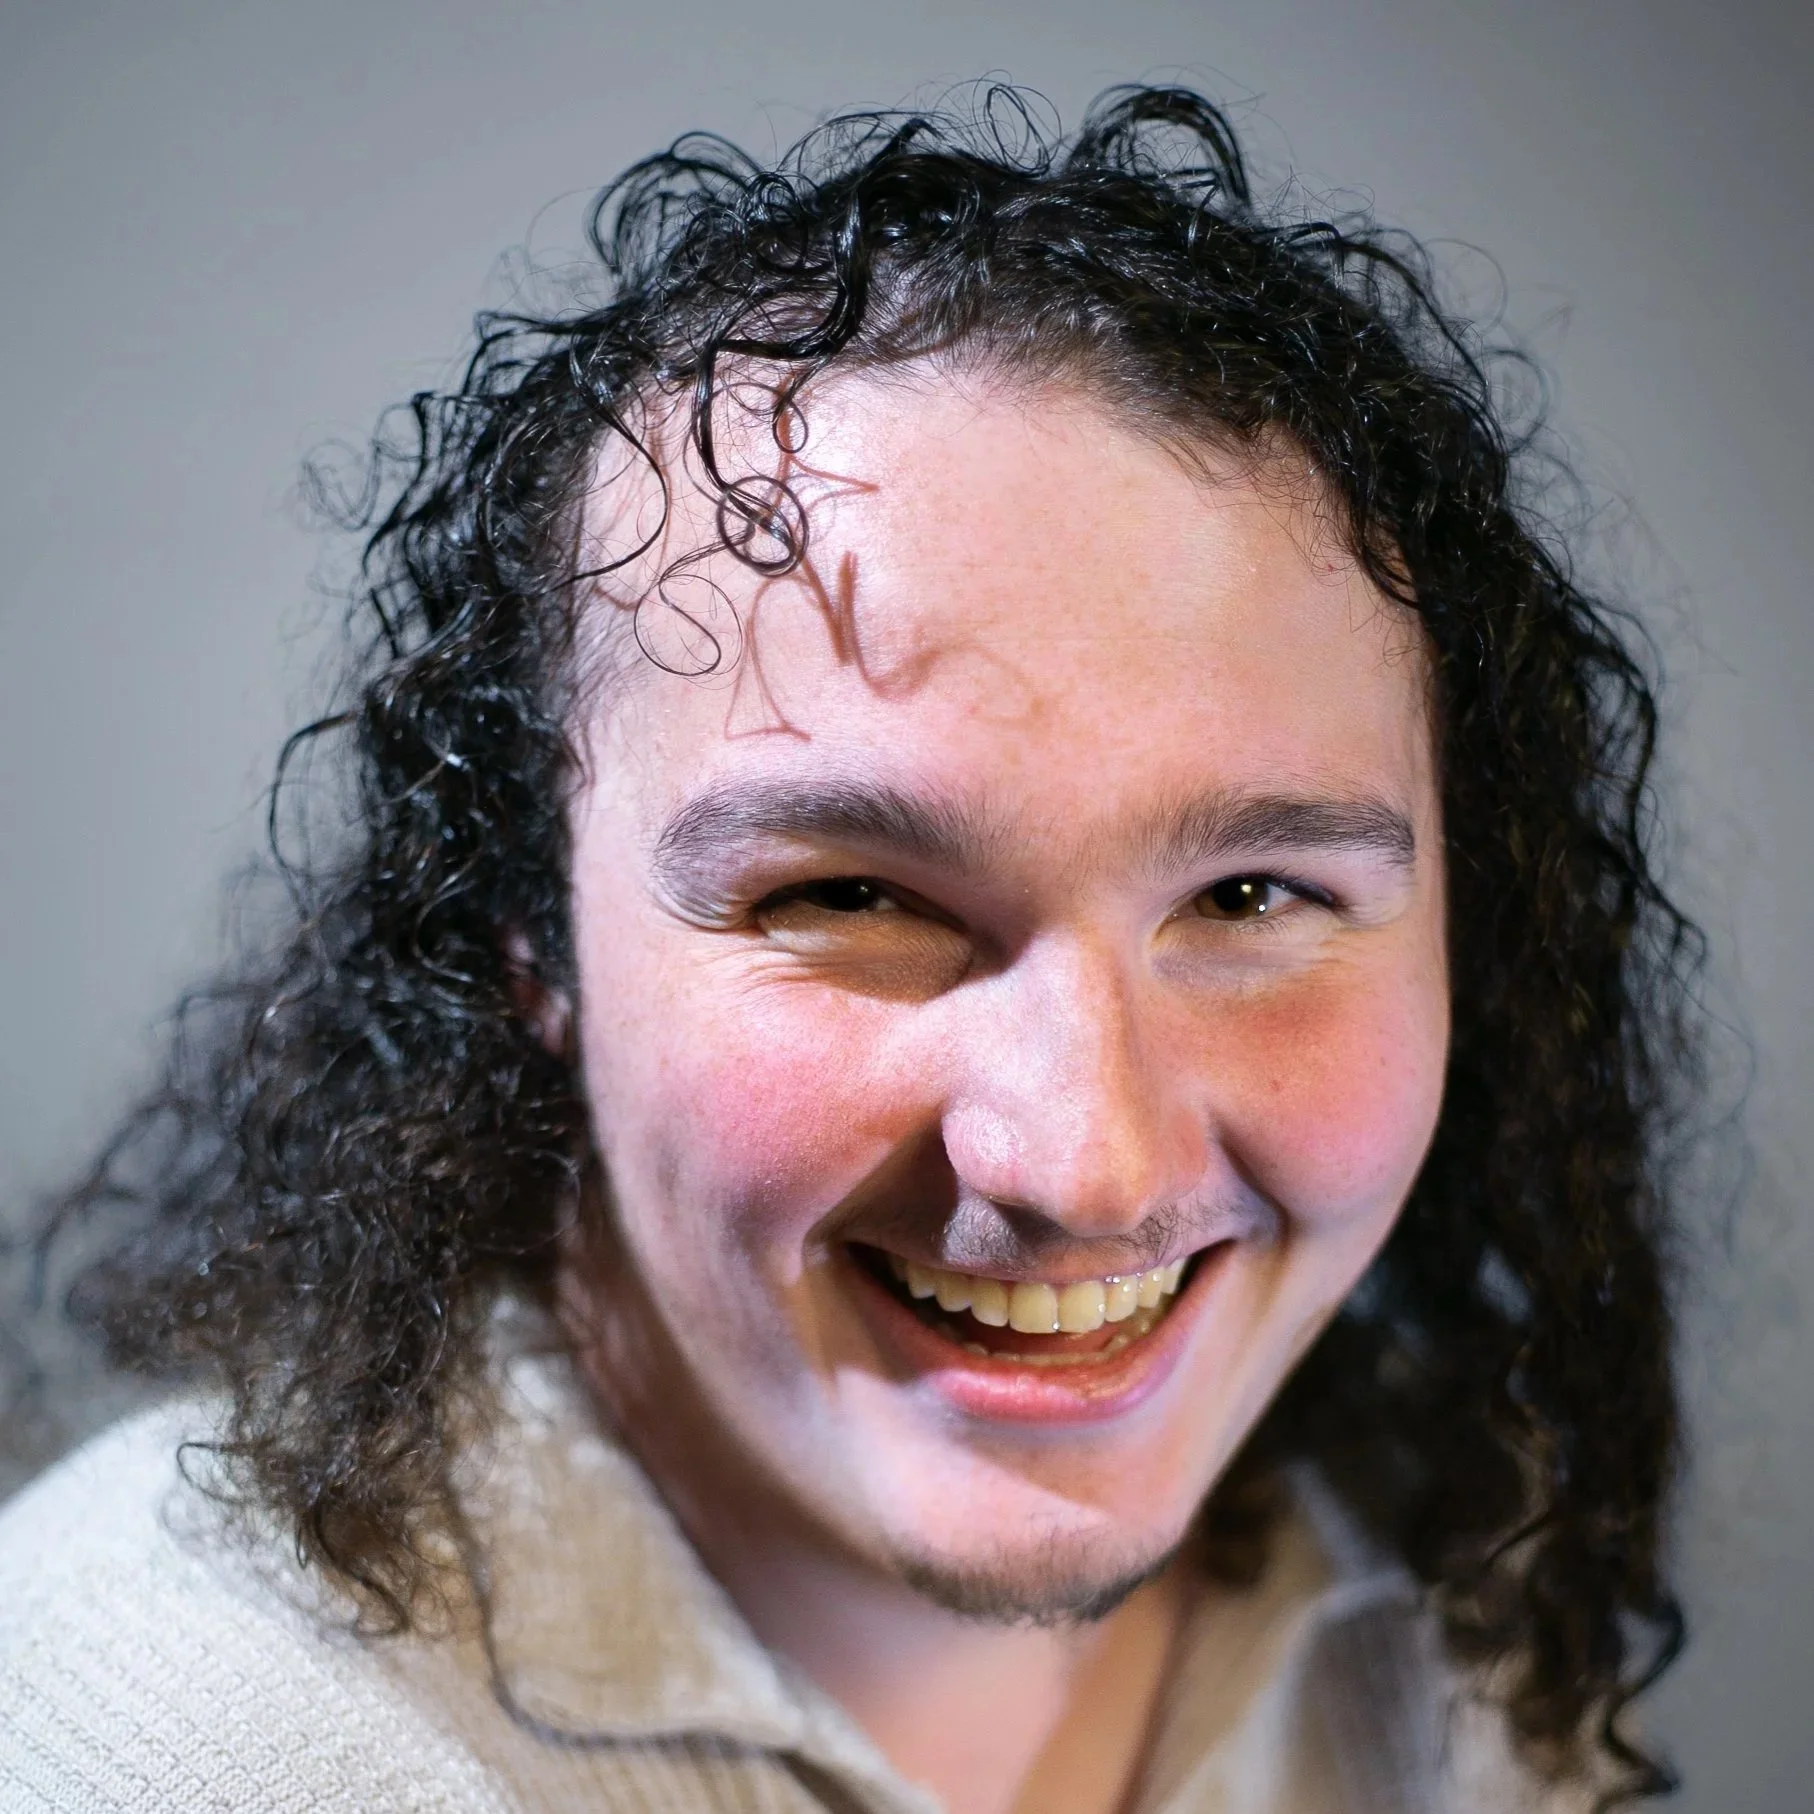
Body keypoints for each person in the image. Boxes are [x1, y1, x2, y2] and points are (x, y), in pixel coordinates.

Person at [0, 85, 1696, 1813]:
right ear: (529, 937)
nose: (1083, 1169)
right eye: (848, 898)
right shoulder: (165, 1752)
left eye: (1252, 897)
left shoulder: (1459, 1625)